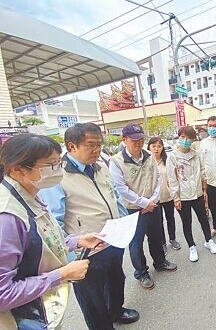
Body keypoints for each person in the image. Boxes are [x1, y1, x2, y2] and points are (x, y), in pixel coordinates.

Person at [39, 123, 139, 330]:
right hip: (85, 250)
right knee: (92, 297)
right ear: (71, 146)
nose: (97, 150)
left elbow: (115, 196)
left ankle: (116, 311)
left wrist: (123, 224)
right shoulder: (58, 177)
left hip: (112, 239)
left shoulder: (101, 167)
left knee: (116, 278)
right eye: (91, 145)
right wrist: (70, 256)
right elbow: (53, 223)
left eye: (99, 145)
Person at [0, 134, 104, 329]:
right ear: (17, 169)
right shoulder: (7, 217)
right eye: (50, 165)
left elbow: (38, 241)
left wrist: (76, 241)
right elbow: (3, 294)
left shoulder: (30, 195)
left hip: (42, 309)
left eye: (59, 163)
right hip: (21, 318)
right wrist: (62, 274)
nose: (58, 170)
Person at [109, 124, 177, 290]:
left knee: (156, 236)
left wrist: (152, 201)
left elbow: (158, 179)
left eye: (141, 139)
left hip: (153, 205)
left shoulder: (149, 156)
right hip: (132, 209)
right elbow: (120, 188)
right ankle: (141, 272)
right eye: (134, 140)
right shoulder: (116, 161)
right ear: (124, 140)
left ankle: (160, 262)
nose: (138, 143)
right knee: (136, 243)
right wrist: (144, 203)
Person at [166, 126, 216, 262]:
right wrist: (176, 198)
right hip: (183, 196)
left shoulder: (196, 154)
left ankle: (208, 240)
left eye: (188, 138)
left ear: (192, 139)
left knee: (203, 218)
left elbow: (202, 172)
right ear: (178, 137)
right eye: (182, 137)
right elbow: (172, 179)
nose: (185, 140)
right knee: (186, 222)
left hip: (198, 194)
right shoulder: (172, 157)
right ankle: (192, 246)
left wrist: (204, 190)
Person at [147, 137, 181, 254]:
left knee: (170, 218)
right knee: (159, 221)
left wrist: (176, 195)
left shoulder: (167, 161)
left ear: (162, 148)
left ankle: (173, 239)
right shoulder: (147, 162)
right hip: (154, 199)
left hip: (168, 196)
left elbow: (173, 178)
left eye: (159, 146)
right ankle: (162, 243)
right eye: (154, 146)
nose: (156, 149)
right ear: (149, 147)